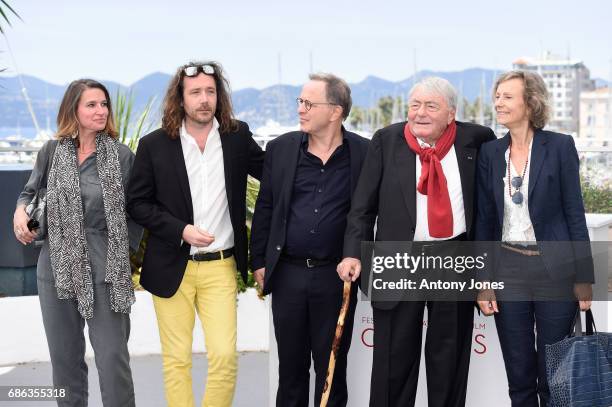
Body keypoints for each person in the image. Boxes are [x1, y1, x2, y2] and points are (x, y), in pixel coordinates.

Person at [338, 77, 496, 407]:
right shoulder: (386, 140)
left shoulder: (477, 140)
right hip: (398, 262)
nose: (420, 113)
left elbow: (490, 207)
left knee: (448, 363)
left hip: (453, 260)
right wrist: (354, 254)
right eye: (414, 105)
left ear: (451, 114)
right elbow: (362, 209)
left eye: (431, 106)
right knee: (392, 367)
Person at [127, 61, 264, 407]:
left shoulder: (237, 137)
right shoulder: (155, 145)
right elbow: (137, 203)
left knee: (224, 356)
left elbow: (275, 172)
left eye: (210, 92)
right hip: (172, 264)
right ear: (180, 97)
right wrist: (181, 230)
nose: (204, 99)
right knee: (177, 361)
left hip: (221, 266)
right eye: (196, 93)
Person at [13, 79, 138, 407]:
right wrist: (18, 213)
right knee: (65, 361)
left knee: (112, 359)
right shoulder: (52, 152)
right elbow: (29, 192)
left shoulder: (122, 157)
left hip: (104, 264)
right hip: (54, 263)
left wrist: (122, 253)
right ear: (74, 110)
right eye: (91, 105)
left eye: (104, 104)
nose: (101, 111)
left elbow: (137, 211)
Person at [250, 73, 369, 406]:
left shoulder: (364, 153)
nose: (300, 109)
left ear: (335, 111)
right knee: (290, 370)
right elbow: (266, 207)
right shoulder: (281, 149)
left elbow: (369, 213)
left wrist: (357, 255)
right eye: (300, 102)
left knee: (332, 368)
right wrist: (258, 261)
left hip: (337, 278)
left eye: (308, 103)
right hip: (287, 274)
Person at [475, 70, 593, 407]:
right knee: (520, 376)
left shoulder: (559, 146)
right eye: (497, 96)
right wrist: (484, 280)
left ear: (531, 102)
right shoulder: (490, 153)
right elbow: (485, 220)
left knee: (554, 375)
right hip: (507, 273)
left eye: (507, 97)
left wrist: (584, 276)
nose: (498, 102)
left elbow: (574, 213)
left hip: (555, 272)